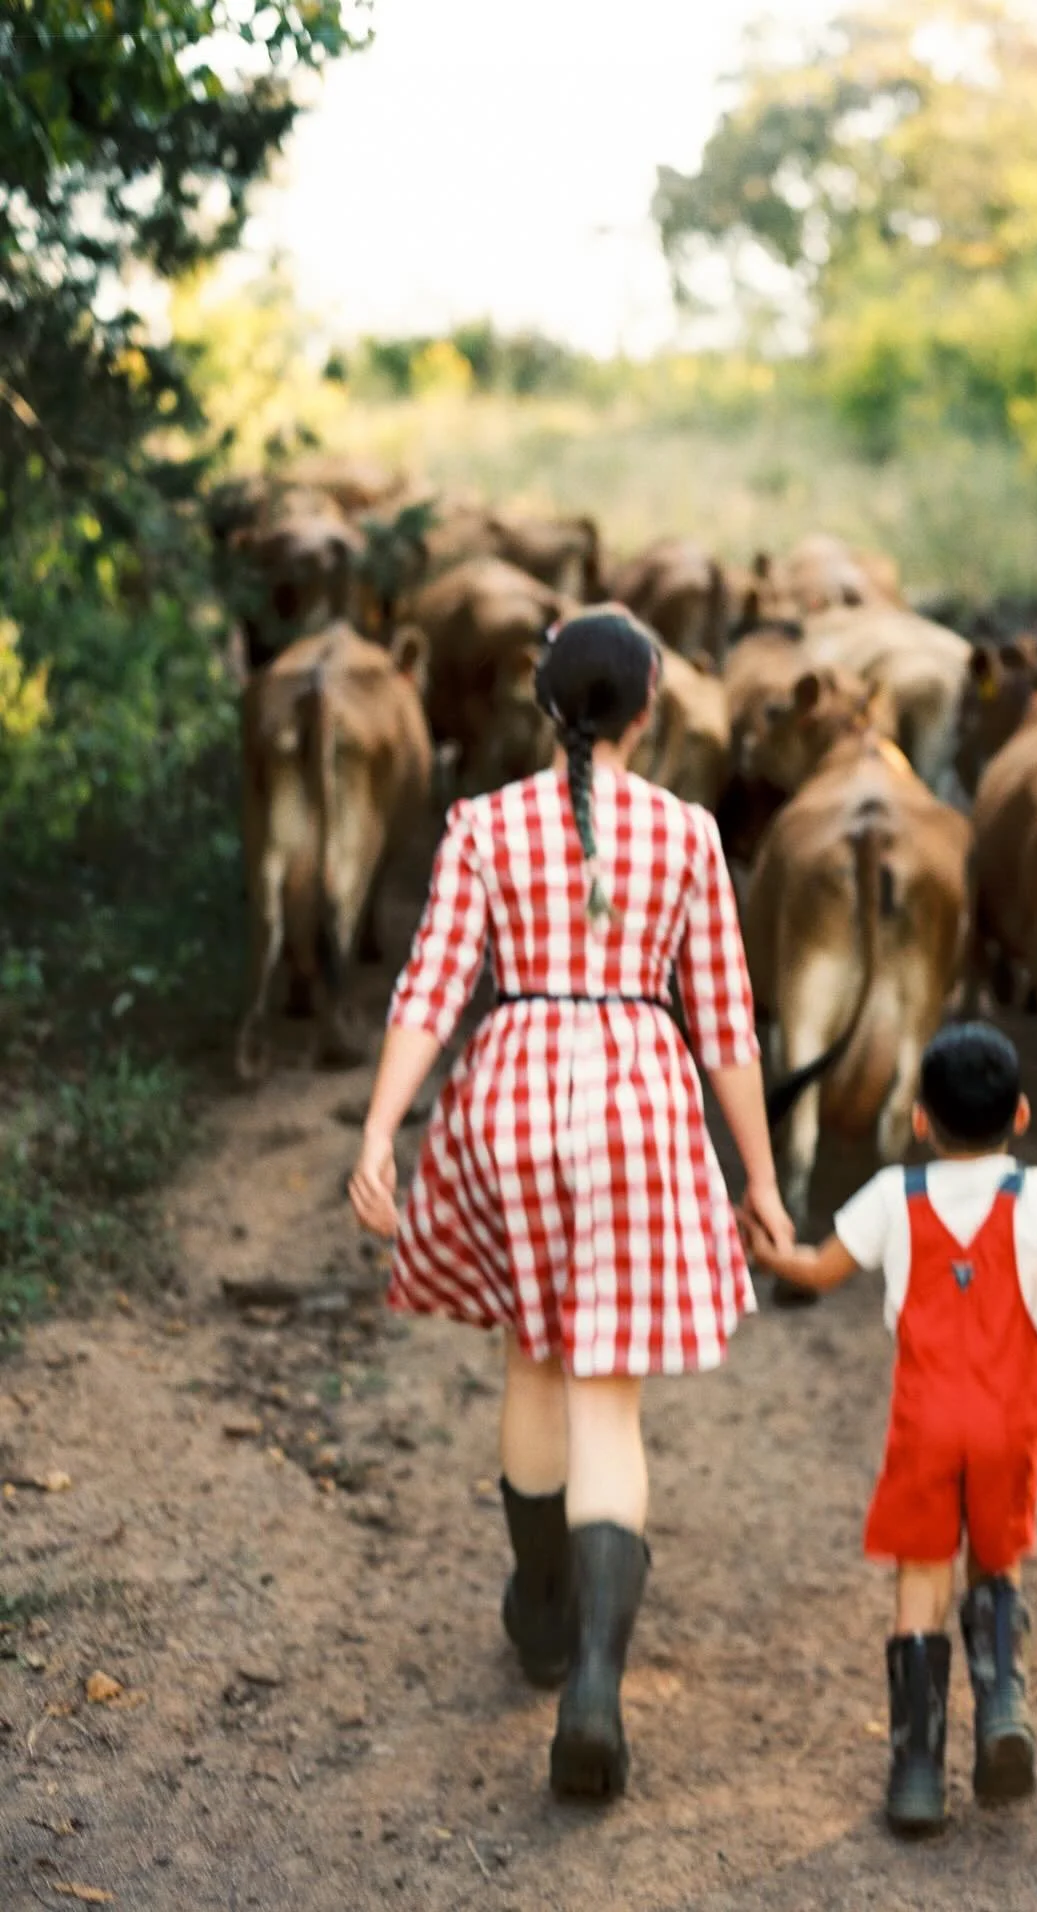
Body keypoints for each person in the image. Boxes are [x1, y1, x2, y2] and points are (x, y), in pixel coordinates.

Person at [348, 605, 793, 1803]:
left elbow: (431, 988)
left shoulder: (484, 823)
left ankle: (541, 1610)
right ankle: (593, 1684)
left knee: (531, 1363)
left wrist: (382, 1129)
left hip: (511, 1102)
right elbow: (727, 1026)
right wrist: (759, 1177)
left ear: (547, 706)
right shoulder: (688, 834)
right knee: (609, 1402)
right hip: (641, 1104)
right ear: (648, 712)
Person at [745, 1021, 1037, 1835]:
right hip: (1010, 1426)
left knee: (921, 1581)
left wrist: (768, 1249)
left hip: (924, 1428)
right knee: (997, 1564)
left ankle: (918, 1775)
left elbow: (819, 1270)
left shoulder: (896, 1195)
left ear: (920, 1119)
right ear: (1021, 1115)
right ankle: (1002, 1711)